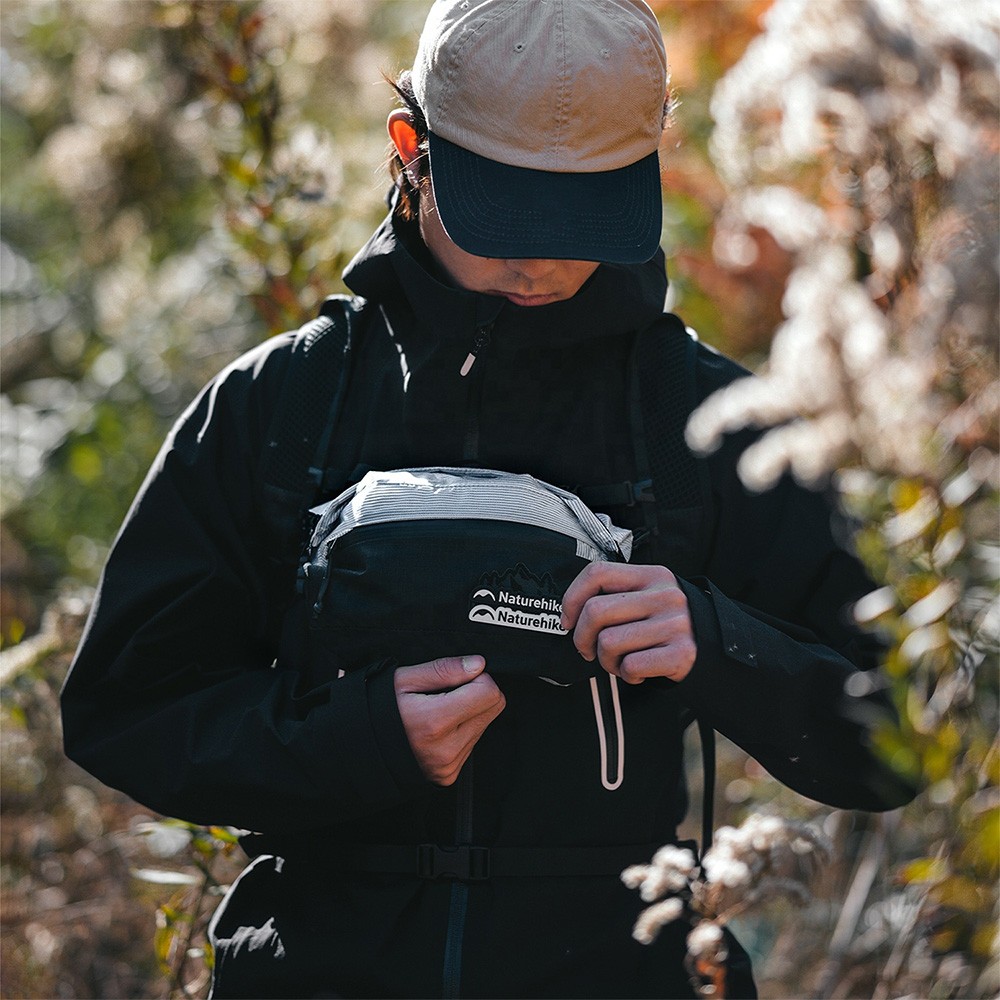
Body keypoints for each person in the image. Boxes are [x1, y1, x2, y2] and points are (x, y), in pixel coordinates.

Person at [60, 2, 915, 997]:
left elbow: (892, 745)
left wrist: (714, 639)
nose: (539, 260)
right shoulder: (281, 404)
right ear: (409, 153)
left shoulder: (708, 423)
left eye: (582, 217)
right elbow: (125, 710)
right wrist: (356, 742)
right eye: (505, 215)